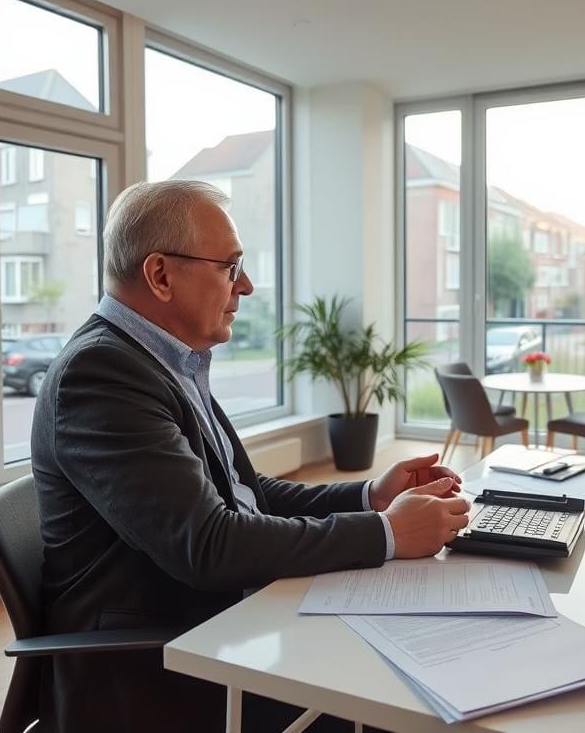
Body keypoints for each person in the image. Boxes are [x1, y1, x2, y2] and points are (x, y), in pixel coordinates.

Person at [31, 179, 470, 733]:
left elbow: (245, 494)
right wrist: (386, 533)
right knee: (404, 704)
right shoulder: (102, 375)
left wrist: (369, 496)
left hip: (226, 621)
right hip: (161, 663)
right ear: (160, 275)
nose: (249, 286)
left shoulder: (162, 361)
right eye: (231, 267)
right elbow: (209, 544)